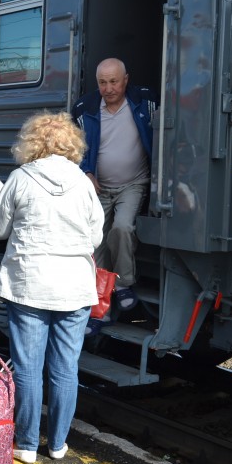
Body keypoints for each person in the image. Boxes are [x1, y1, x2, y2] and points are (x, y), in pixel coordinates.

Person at [0, 111, 104, 464]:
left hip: (29, 284)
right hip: (73, 286)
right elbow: (96, 235)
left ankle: (25, 444)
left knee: (27, 367)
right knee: (66, 368)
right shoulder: (84, 183)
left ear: (33, 142)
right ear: (71, 143)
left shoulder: (21, 178)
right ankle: (57, 444)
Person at [71, 57, 158, 335]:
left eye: (114, 81)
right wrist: (86, 172)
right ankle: (100, 312)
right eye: (102, 82)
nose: (108, 88)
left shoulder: (145, 102)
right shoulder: (85, 108)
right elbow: (74, 147)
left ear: (126, 80)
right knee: (96, 246)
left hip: (133, 183)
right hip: (99, 187)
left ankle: (123, 284)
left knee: (121, 228)